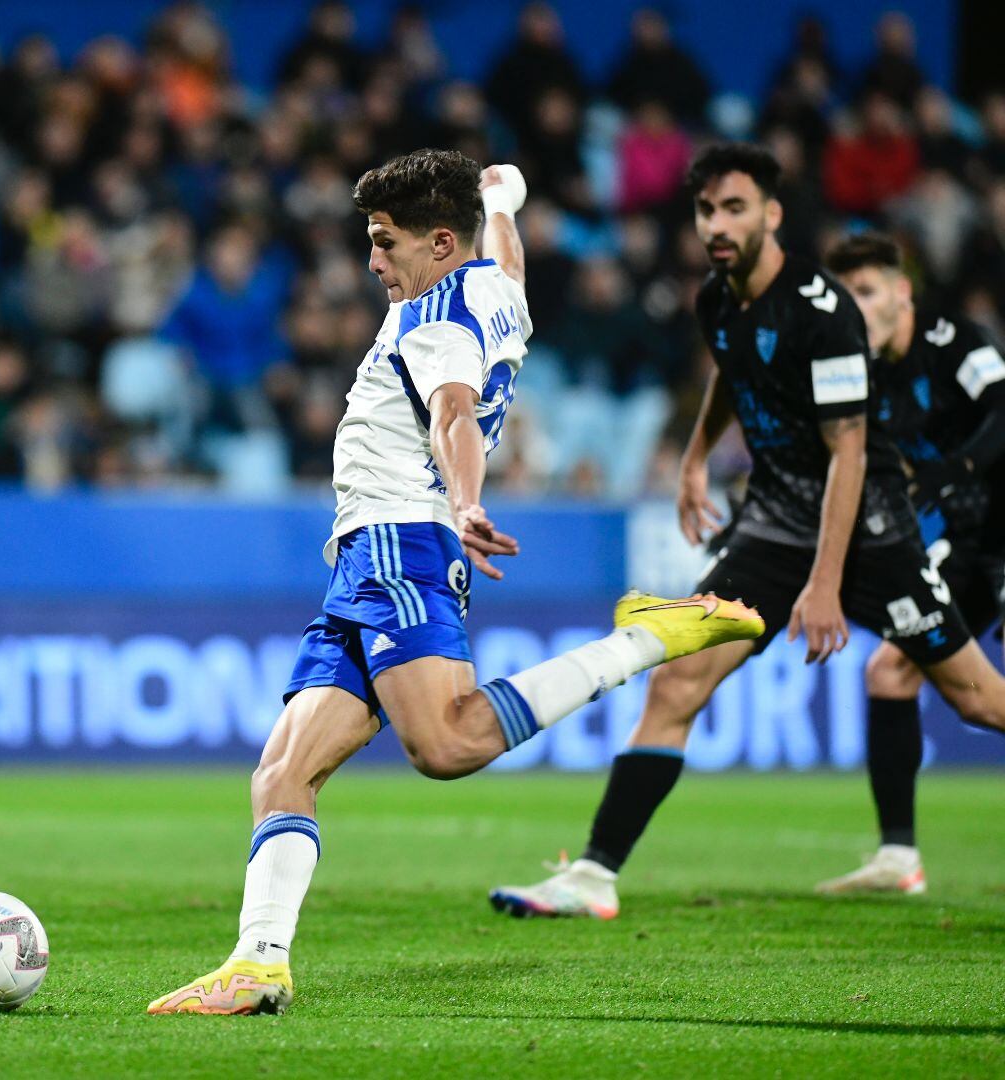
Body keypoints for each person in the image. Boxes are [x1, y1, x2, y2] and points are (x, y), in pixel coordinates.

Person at [145, 148, 764, 1015]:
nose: (372, 262)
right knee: (281, 773)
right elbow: (506, 257)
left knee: (446, 745)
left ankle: (648, 638)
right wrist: (505, 198)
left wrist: (467, 499)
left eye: (384, 242)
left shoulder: (435, 319)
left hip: (402, 542)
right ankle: (257, 964)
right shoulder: (496, 291)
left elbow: (451, 413)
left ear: (439, 243)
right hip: (365, 558)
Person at [493, 144, 1005, 921]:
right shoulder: (717, 299)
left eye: (735, 208)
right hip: (770, 529)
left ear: (771, 215)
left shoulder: (826, 314)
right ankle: (594, 874)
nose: (717, 224)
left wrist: (827, 584)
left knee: (978, 699)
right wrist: (696, 458)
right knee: (678, 679)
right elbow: (732, 373)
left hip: (867, 532)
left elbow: (851, 452)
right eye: (706, 210)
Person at [816, 233, 1005, 895]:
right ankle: (898, 859)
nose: (855, 309)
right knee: (891, 670)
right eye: (844, 298)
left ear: (902, 294)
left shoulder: (959, 341)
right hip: (972, 538)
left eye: (865, 292)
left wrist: (956, 468)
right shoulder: (862, 375)